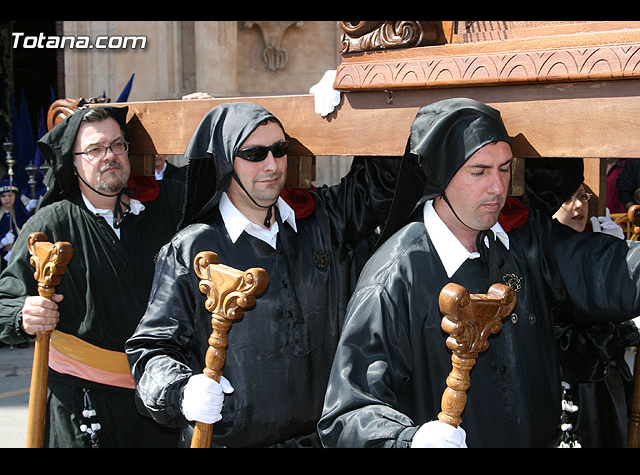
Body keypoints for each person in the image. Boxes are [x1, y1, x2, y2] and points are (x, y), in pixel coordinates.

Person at [317, 98, 640, 448]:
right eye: (479, 171)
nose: (498, 187)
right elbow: (348, 414)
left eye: (504, 168)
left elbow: (609, 270)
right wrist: (409, 441)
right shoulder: (395, 275)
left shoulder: (525, 239)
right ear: (441, 175)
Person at [125, 101, 399, 447]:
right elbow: (152, 347)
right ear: (226, 160)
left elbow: (385, 179)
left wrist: (358, 99)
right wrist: (181, 390)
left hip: (323, 440)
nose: (272, 165)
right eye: (255, 154)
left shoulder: (323, 219)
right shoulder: (192, 248)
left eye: (280, 150)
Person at [0, 106, 183, 447]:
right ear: (73, 162)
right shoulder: (50, 225)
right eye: (95, 150)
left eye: (117, 146)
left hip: (160, 403)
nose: (109, 156)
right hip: (81, 408)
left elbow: (216, 180)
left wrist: (204, 115)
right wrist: (24, 314)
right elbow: (4, 304)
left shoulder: (165, 209)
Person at [523, 157, 638, 448]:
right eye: (568, 199)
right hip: (569, 386)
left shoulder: (593, 239)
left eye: (582, 196)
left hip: (601, 383)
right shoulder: (538, 252)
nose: (578, 207)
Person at [0, 180, 31, 271]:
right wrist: (2, 242)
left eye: (10, 195)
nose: (7, 199)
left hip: (19, 256)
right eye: (3, 196)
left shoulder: (22, 215)